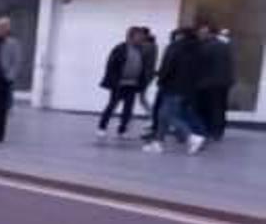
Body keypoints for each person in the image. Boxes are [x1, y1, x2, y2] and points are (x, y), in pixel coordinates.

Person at [144, 27, 207, 155]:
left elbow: (168, 65)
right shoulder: (198, 48)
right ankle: (157, 143)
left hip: (172, 86)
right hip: (188, 88)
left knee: (168, 115)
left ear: (181, 35)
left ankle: (192, 137)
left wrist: (161, 79)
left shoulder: (175, 47)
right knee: (164, 115)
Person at [96, 27, 149, 139]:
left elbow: (142, 67)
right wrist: (114, 81)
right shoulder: (120, 49)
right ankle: (102, 127)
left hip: (132, 84)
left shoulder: (140, 50)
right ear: (131, 36)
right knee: (112, 106)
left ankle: (122, 130)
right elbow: (111, 65)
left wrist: (141, 82)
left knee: (128, 109)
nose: (141, 38)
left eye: (142, 36)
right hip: (119, 83)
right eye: (139, 36)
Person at [195, 25, 233, 141]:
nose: (200, 35)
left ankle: (208, 130)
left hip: (209, 83)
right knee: (219, 107)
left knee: (208, 108)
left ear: (210, 34)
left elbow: (201, 66)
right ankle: (218, 132)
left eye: (202, 33)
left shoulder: (206, 47)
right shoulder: (224, 46)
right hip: (223, 82)